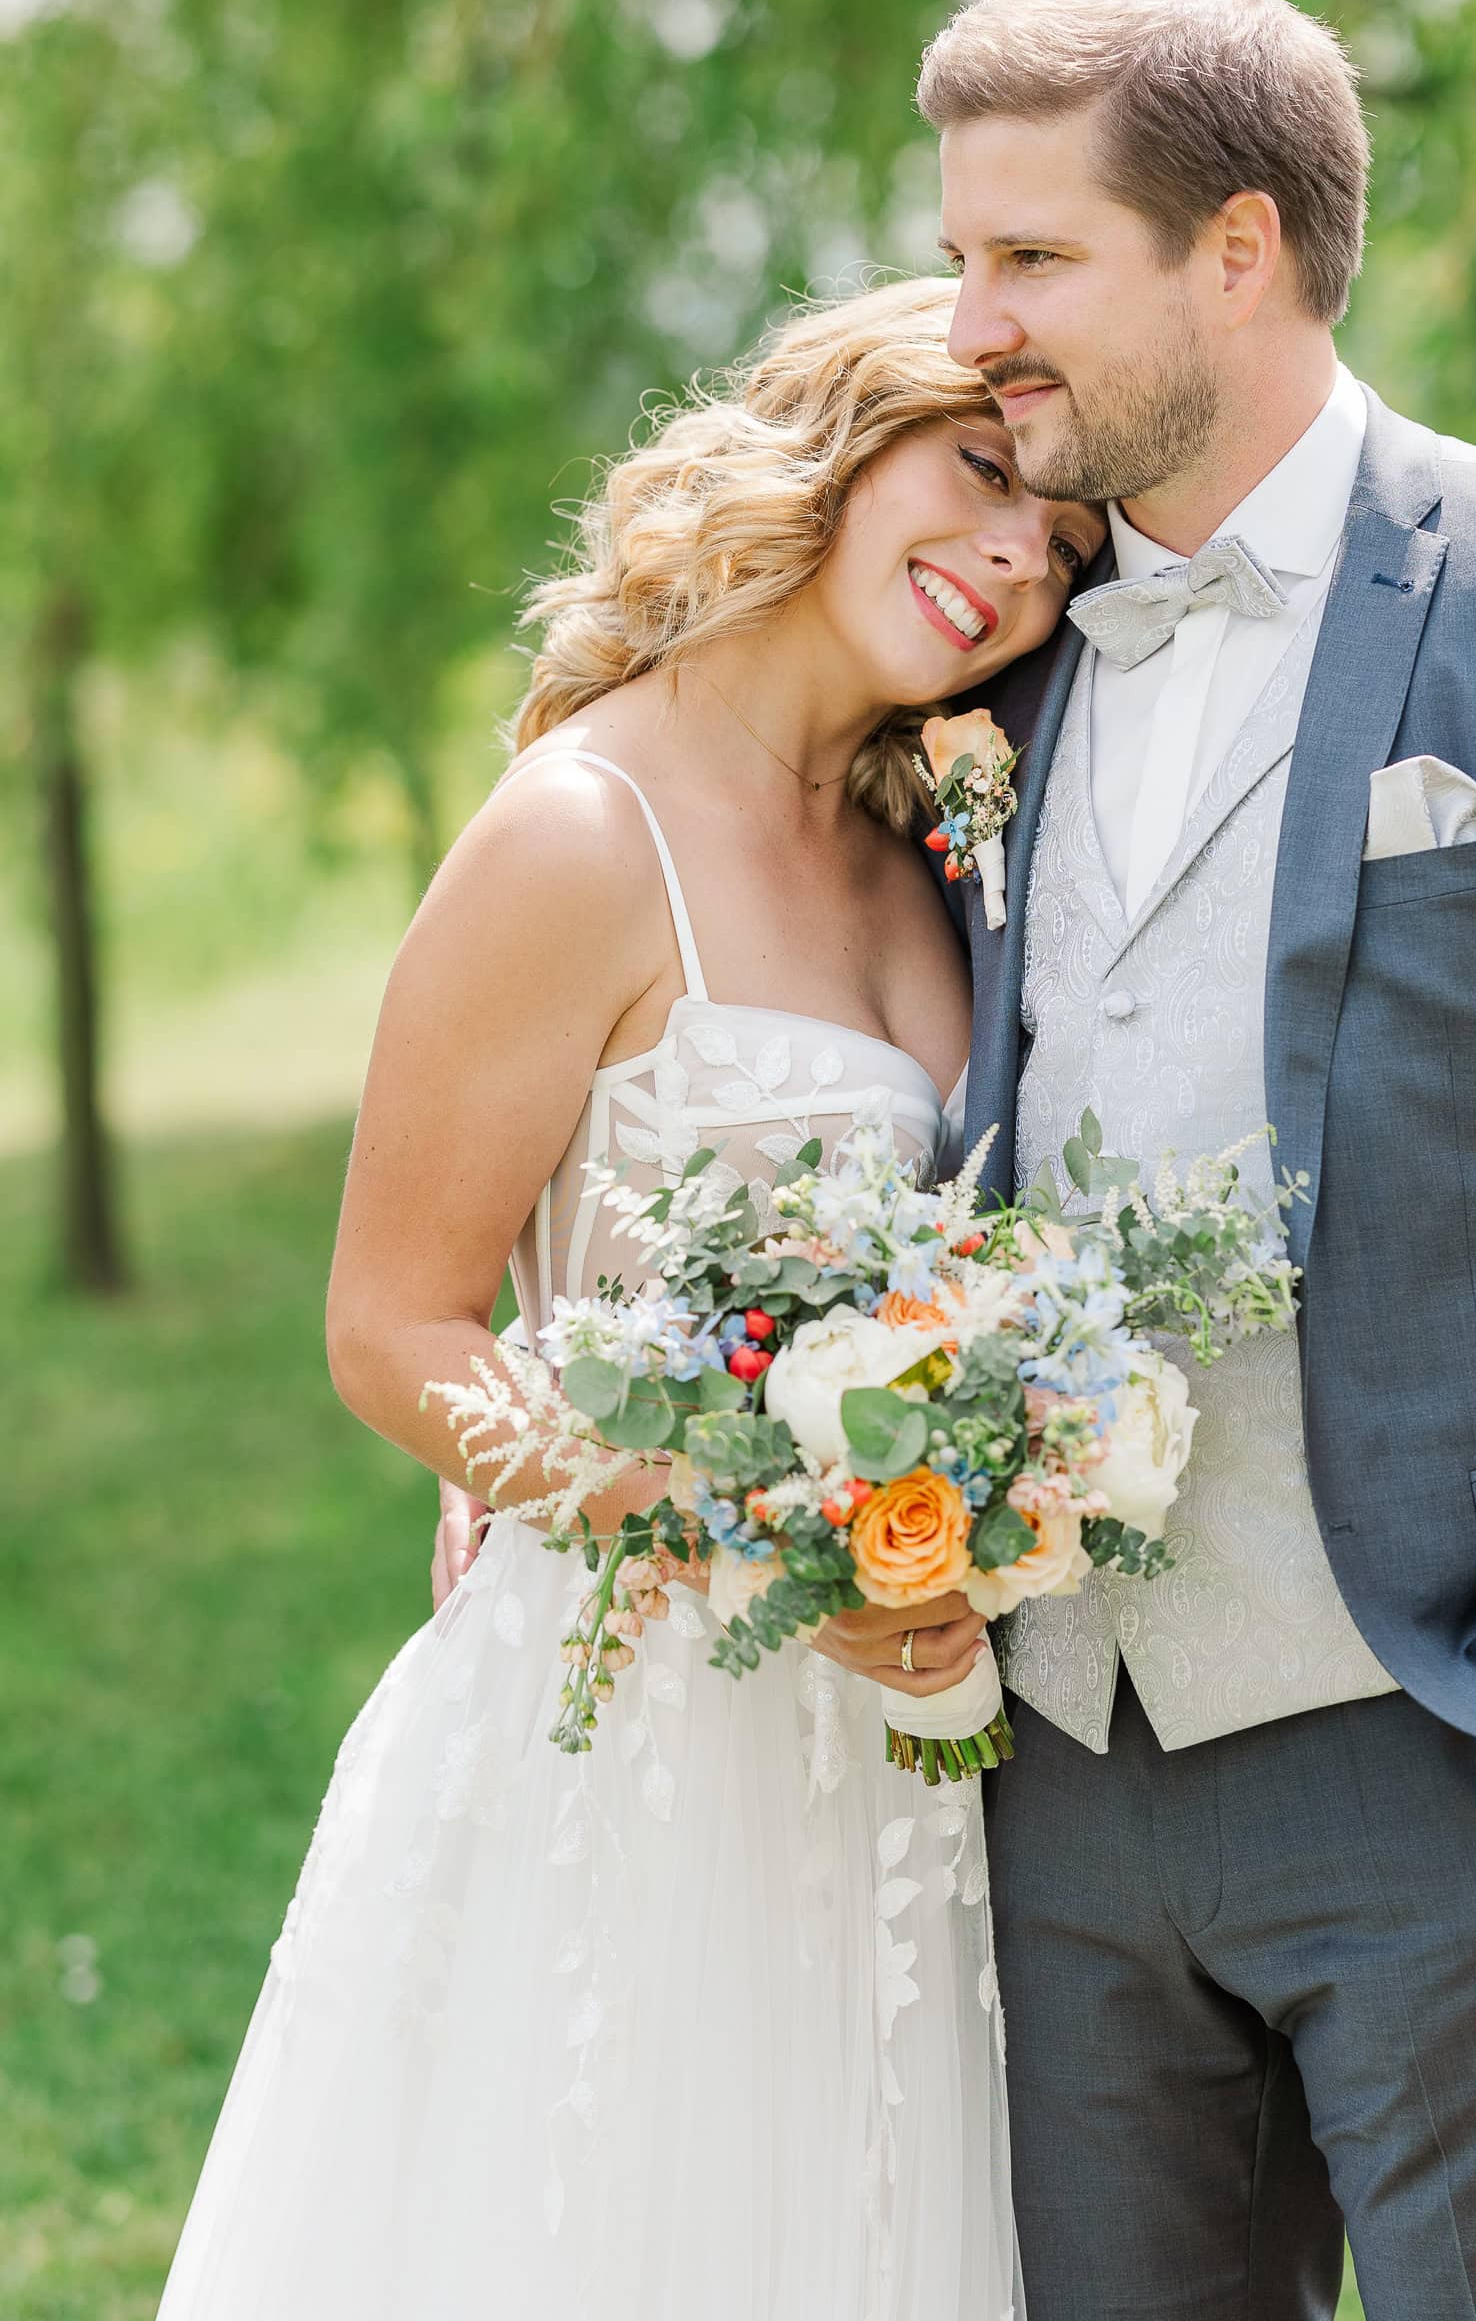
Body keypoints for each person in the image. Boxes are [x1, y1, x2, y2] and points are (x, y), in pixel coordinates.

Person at [156, 274, 1105, 2321]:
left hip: (898, 1760)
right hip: (635, 1725)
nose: (1017, 556)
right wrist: (742, 1525)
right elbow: (392, 1328)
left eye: (1062, 542)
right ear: (836, 445)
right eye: (979, 471)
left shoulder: (929, 854)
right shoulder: (578, 830)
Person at [905, 0, 1476, 2321]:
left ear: (1232, 250)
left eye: (1029, 257)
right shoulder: (976, 650)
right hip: (1054, 1774)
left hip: (1463, 1741)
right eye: (959, 254)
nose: (970, 324)